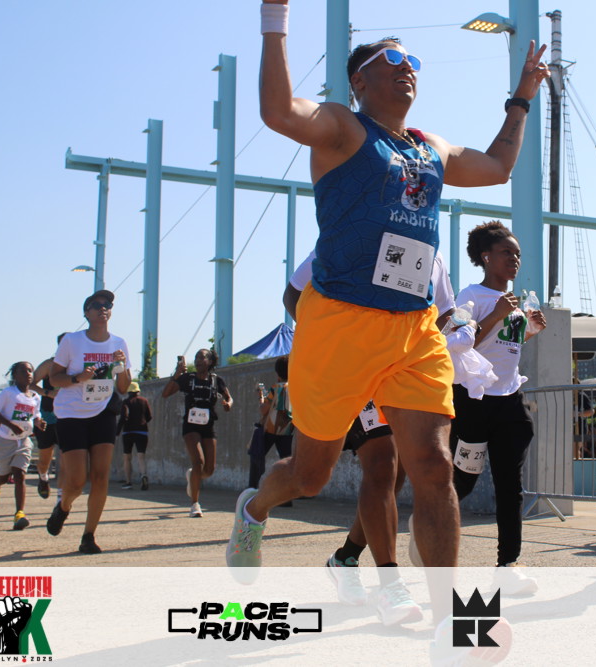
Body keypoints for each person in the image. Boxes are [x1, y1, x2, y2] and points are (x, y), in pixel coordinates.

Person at [227, 0, 549, 606]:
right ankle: (255, 508)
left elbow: (499, 166)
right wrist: (275, 17)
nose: (407, 67)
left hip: (413, 329)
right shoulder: (343, 129)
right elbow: (278, 111)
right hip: (340, 322)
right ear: (359, 80)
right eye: (392, 57)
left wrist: (522, 98)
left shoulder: (430, 147)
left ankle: (449, 619)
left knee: (432, 466)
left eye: (412, 61)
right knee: (310, 474)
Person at [286, 248, 454, 626]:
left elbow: (444, 311)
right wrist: (329, 341)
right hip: (353, 367)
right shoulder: (350, 234)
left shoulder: (431, 252)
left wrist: (446, 333)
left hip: (402, 370)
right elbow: (292, 294)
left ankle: (345, 558)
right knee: (377, 467)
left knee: (399, 476)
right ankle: (391, 585)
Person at [444, 221, 545, 594]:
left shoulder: (515, 302)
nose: (514, 259)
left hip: (509, 399)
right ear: (486, 257)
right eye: (506, 252)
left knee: (510, 486)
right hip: (474, 400)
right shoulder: (471, 296)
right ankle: (430, 526)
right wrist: (497, 314)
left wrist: (530, 329)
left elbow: (506, 347)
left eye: (517, 254)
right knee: (464, 481)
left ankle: (508, 566)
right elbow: (459, 342)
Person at [47, 289, 132, 554]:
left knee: (100, 476)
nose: (103, 308)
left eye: (107, 304)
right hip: (71, 413)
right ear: (87, 313)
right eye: (96, 304)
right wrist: (78, 378)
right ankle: (63, 507)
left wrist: (121, 366)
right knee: (76, 481)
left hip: (103, 412)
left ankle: (88, 535)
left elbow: (123, 387)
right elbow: (54, 378)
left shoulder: (118, 342)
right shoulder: (72, 341)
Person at [162, 349, 232, 518]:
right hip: (191, 426)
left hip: (208, 425)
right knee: (198, 461)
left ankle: (192, 475)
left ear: (210, 361)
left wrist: (228, 403)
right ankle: (195, 504)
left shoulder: (216, 380)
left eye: (202, 357)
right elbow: (166, 393)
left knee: (209, 470)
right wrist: (177, 374)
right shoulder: (188, 378)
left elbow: (229, 397)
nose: (198, 360)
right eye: (196, 357)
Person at [0, 362, 45, 530]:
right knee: (4, 477)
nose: (28, 374)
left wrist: (39, 422)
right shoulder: (8, 393)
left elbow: (35, 415)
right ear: (15, 375)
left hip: (24, 440)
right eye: (23, 371)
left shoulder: (35, 396)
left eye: (30, 370)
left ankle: (19, 514)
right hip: (5, 440)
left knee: (19, 475)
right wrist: (11, 425)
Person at [30, 334, 67, 501]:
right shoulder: (49, 364)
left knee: (66, 460)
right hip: (48, 415)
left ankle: (61, 498)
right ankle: (43, 478)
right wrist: (47, 393)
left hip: (68, 416)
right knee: (45, 458)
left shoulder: (77, 364)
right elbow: (30, 383)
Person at [249, 356, 293, 490]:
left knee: (256, 456)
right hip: (287, 430)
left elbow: (264, 410)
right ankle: (286, 494)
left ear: (278, 373)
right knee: (287, 461)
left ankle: (252, 489)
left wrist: (261, 398)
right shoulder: (295, 388)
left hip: (270, 429)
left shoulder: (275, 388)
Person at [118, 381, 152, 490]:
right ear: (138, 391)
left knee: (127, 457)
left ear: (129, 392)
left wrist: (117, 431)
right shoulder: (144, 401)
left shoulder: (126, 402)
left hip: (128, 432)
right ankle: (143, 475)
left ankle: (128, 482)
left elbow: (123, 417)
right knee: (141, 456)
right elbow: (149, 417)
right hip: (142, 431)